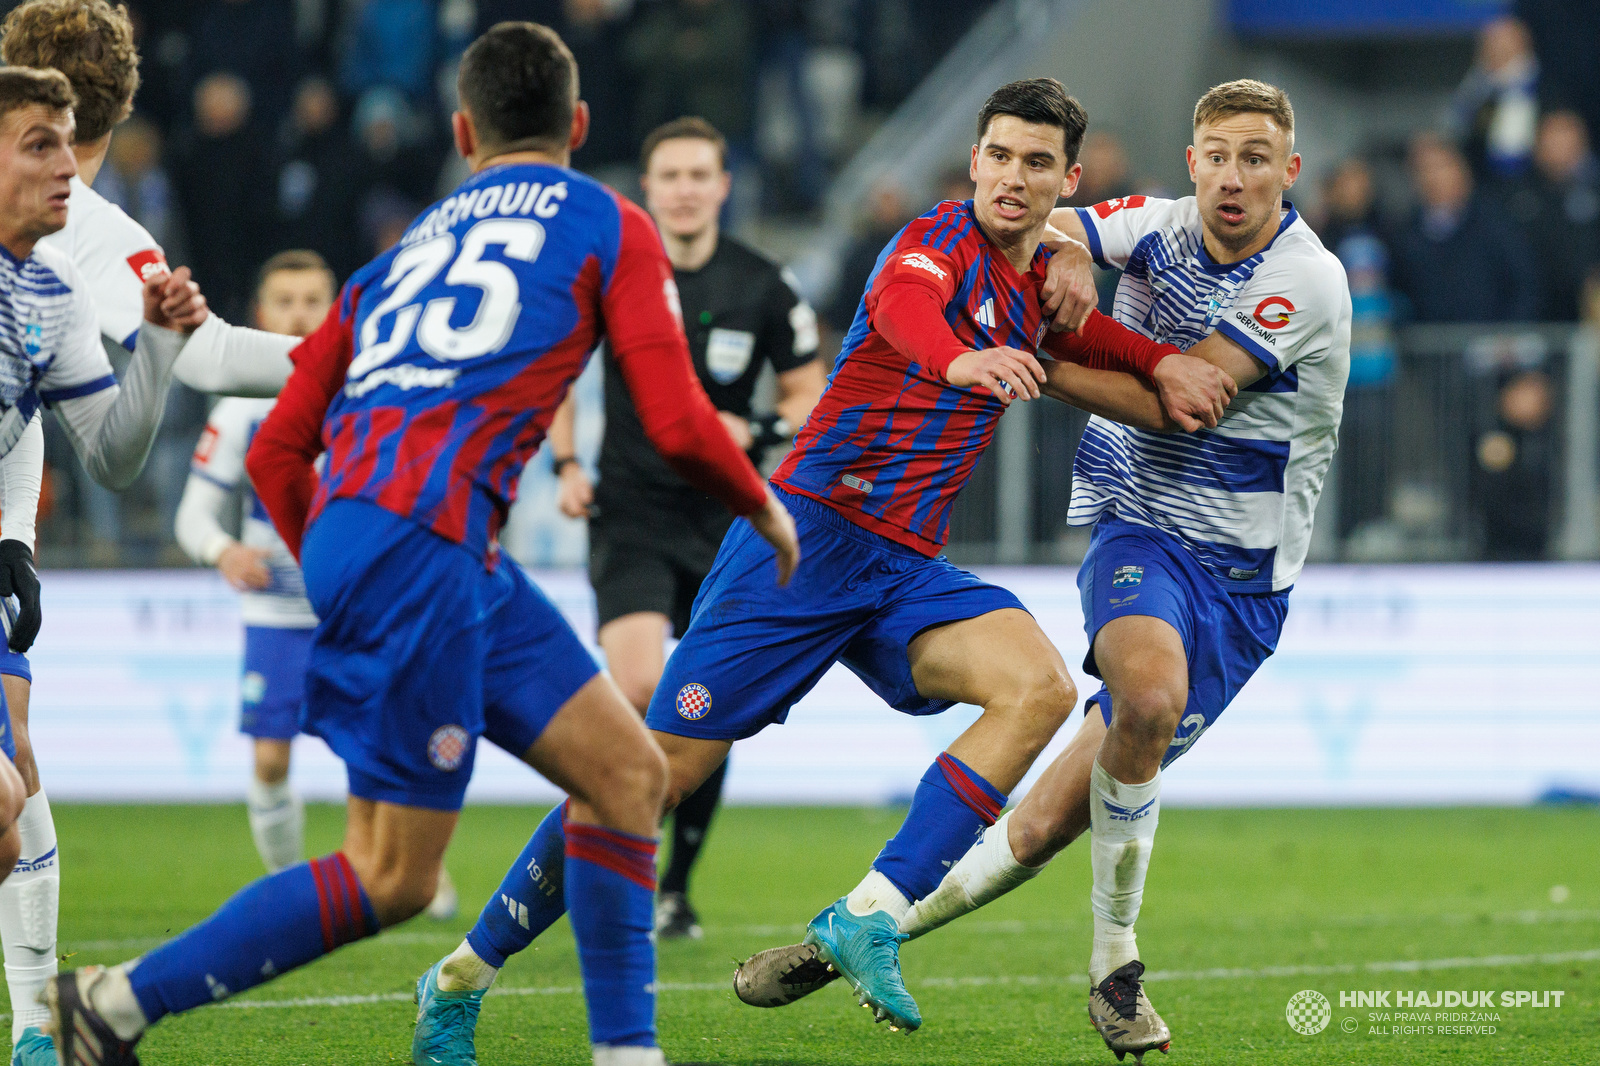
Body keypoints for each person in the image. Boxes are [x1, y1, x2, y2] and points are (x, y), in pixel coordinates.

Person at [407, 76, 1236, 1061]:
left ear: (1068, 178)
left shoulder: (1036, 282)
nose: (1013, 178)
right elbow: (903, 312)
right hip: (799, 547)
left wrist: (1161, 361)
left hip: (899, 569)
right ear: (973, 159)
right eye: (999, 156)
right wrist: (957, 364)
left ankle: (869, 914)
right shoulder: (929, 245)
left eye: (1036, 163)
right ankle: (460, 977)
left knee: (1041, 686)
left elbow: (1086, 335)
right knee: (643, 782)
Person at [45, 23, 800, 1066]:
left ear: (461, 132)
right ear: (578, 125)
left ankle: (628, 1053)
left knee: (628, 776)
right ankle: (114, 1004)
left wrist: (342, 563)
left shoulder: (403, 253)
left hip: (416, 546)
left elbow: (279, 458)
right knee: (391, 874)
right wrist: (763, 506)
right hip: (423, 548)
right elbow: (674, 421)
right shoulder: (604, 218)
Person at [736, 78, 1351, 1065]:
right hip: (1140, 530)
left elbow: (1177, 401)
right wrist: (1056, 250)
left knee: (1048, 822)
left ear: (1290, 171)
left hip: (1245, 579)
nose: (1233, 178)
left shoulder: (1306, 280)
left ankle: (862, 920)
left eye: (1255, 158)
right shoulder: (1151, 225)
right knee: (1145, 696)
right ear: (1190, 165)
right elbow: (1020, 209)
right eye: (1217, 157)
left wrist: (1021, 340)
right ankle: (1116, 963)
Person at [546, 115, 825, 940]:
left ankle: (675, 885)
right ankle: (630, 855)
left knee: (706, 704)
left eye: (700, 173)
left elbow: (809, 391)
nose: (686, 189)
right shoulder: (616, 275)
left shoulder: (763, 284)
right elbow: (560, 372)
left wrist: (762, 435)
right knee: (637, 691)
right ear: (649, 187)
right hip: (631, 510)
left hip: (728, 518)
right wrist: (565, 464)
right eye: (670, 175)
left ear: (723, 184)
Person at [0, 61, 210, 1066]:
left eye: (72, 146)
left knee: (12, 798)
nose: (68, 173)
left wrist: (162, 347)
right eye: (41, 145)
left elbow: (113, 455)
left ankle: (35, 1034)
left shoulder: (48, 291)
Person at [171, 250, 462, 919]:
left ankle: (415, 867)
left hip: (367, 609)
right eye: (284, 301)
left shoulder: (376, 391)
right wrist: (222, 549)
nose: (299, 314)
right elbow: (193, 513)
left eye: (312, 300)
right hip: (278, 612)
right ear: (259, 316)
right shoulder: (241, 408)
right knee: (272, 760)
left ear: (335, 309)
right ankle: (290, 891)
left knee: (392, 746)